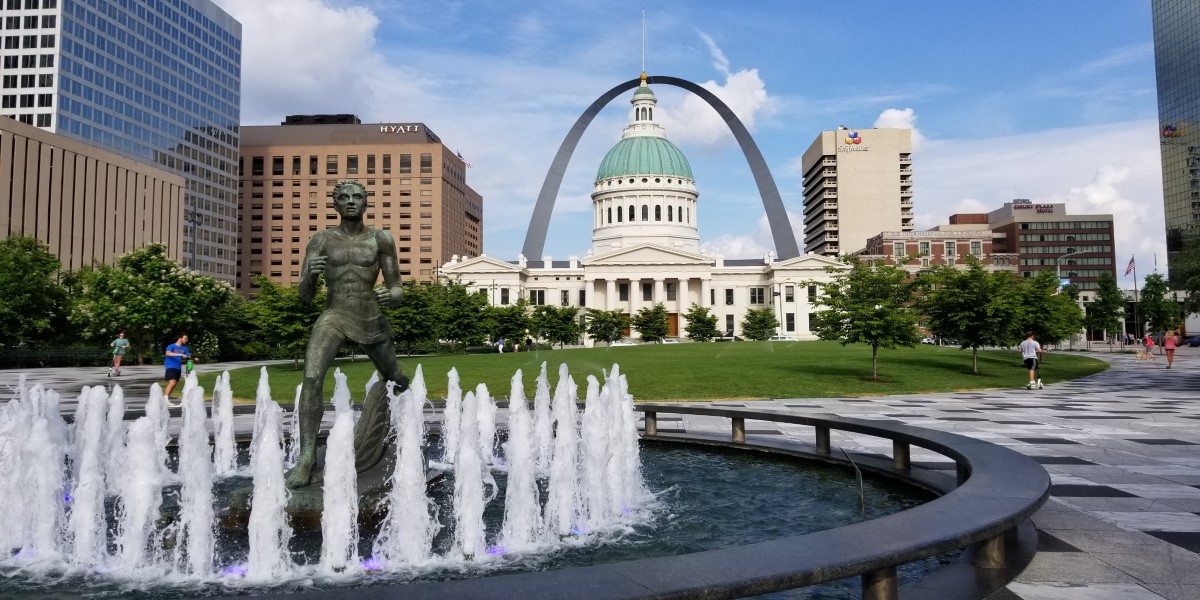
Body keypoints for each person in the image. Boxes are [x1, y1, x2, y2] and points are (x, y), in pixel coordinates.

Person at [287, 179, 409, 488]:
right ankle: (307, 457)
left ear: (366, 202)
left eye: (357, 196)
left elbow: (397, 288)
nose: (351, 201)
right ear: (335, 204)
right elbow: (304, 296)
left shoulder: (381, 239)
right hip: (335, 314)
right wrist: (310, 275)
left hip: (370, 317)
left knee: (396, 377)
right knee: (312, 377)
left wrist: (391, 295)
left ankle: (400, 429)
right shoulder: (321, 241)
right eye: (344, 197)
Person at [163, 333, 191, 402]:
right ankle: (165, 399)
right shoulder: (171, 346)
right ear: (180, 338)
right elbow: (168, 353)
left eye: (187, 339)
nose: (186, 340)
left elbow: (188, 358)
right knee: (173, 382)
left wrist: (194, 359)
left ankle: (166, 398)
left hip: (178, 367)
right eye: (185, 338)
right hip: (170, 366)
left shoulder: (185, 348)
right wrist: (179, 354)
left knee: (174, 383)